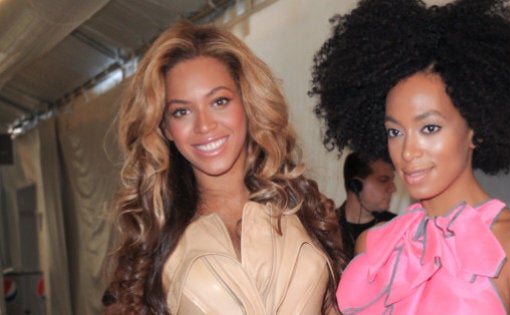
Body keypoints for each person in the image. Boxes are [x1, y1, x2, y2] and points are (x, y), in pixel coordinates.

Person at [310, 0, 510, 314]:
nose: (407, 152)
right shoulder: (374, 246)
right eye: (395, 132)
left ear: (476, 128)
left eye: (429, 128)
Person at [103, 21, 345, 314]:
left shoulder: (306, 208)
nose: (204, 125)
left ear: (247, 103)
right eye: (182, 111)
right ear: (165, 127)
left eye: (219, 101)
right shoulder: (155, 238)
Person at [337, 152, 396, 258]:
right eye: (383, 180)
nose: (393, 188)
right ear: (356, 185)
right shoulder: (327, 225)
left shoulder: (397, 226)